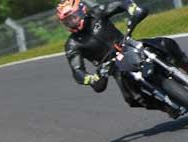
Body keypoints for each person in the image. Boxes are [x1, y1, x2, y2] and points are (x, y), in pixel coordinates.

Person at [57, 0, 188, 118]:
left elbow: (120, 3)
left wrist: (132, 9)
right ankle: (167, 107)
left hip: (129, 45)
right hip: (113, 66)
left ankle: (184, 64)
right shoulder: (72, 44)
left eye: (73, 17)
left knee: (165, 43)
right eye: (67, 21)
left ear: (82, 10)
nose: (72, 22)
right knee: (132, 98)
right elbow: (77, 71)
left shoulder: (97, 13)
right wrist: (91, 78)